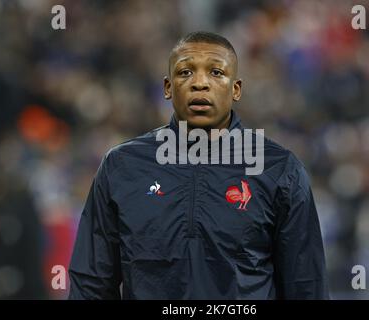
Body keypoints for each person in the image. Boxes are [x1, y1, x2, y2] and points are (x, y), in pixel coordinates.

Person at [68, 31, 329, 299]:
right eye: (185, 73)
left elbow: (307, 286)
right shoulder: (121, 167)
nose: (200, 83)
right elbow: (91, 284)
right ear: (168, 88)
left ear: (235, 89)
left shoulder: (279, 170)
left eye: (216, 72)